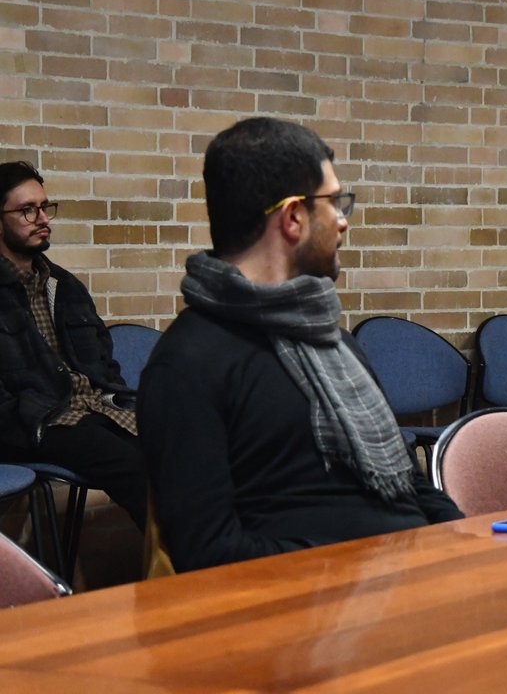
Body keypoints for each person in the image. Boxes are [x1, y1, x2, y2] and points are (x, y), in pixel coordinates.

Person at [137, 117, 463, 572]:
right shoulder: (188, 364)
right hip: (309, 614)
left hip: (406, 585)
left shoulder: (335, 341)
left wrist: (462, 541)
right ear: (293, 217)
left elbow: (406, 481)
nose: (343, 220)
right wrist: (363, 570)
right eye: (334, 202)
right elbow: (209, 555)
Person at [0, 161, 147, 531]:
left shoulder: (64, 287)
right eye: (26, 210)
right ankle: (198, 572)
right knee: (134, 465)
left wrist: (114, 398)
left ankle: (188, 566)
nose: (41, 218)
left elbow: (103, 364)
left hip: (91, 408)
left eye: (44, 207)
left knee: (178, 442)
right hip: (30, 421)